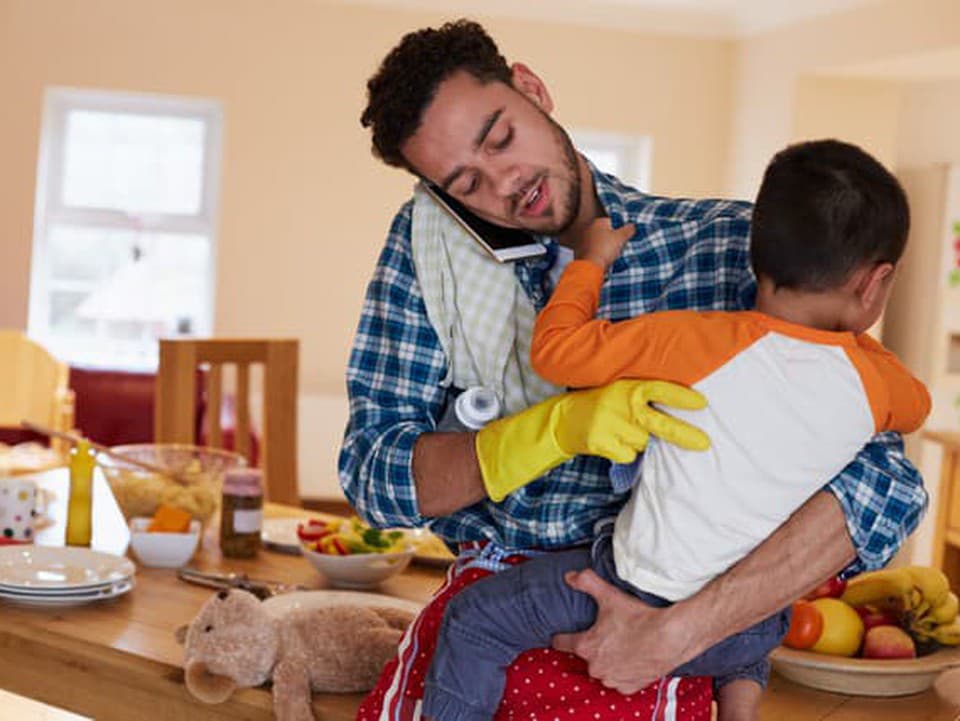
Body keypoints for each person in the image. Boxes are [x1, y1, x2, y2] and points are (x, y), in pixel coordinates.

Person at [341, 19, 928, 721]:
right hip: (497, 605)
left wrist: (675, 632)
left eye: (501, 138)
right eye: (466, 182)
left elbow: (883, 485)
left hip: (671, 620)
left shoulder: (724, 250)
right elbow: (373, 474)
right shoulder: (432, 258)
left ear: (532, 88)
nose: (505, 182)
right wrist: (549, 431)